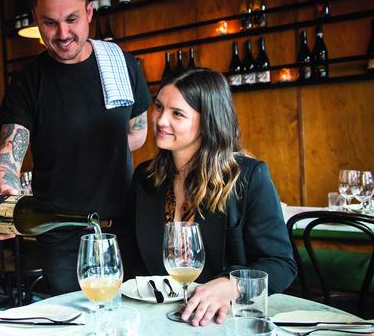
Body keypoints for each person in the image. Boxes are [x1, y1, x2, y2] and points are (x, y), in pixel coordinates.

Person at [0, 0, 151, 295]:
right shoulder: (28, 82)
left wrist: (95, 152)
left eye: (71, 19)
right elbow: (7, 161)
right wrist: (7, 203)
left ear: (88, 13)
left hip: (125, 228)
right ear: (36, 20)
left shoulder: (122, 65)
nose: (63, 33)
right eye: (50, 23)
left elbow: (138, 132)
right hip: (61, 235)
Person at [127, 68, 297, 327]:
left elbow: (281, 265)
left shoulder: (248, 177)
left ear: (208, 122)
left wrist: (232, 285)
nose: (161, 120)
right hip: (155, 320)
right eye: (159, 107)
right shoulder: (145, 178)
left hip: (223, 322)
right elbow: (130, 257)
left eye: (177, 114)